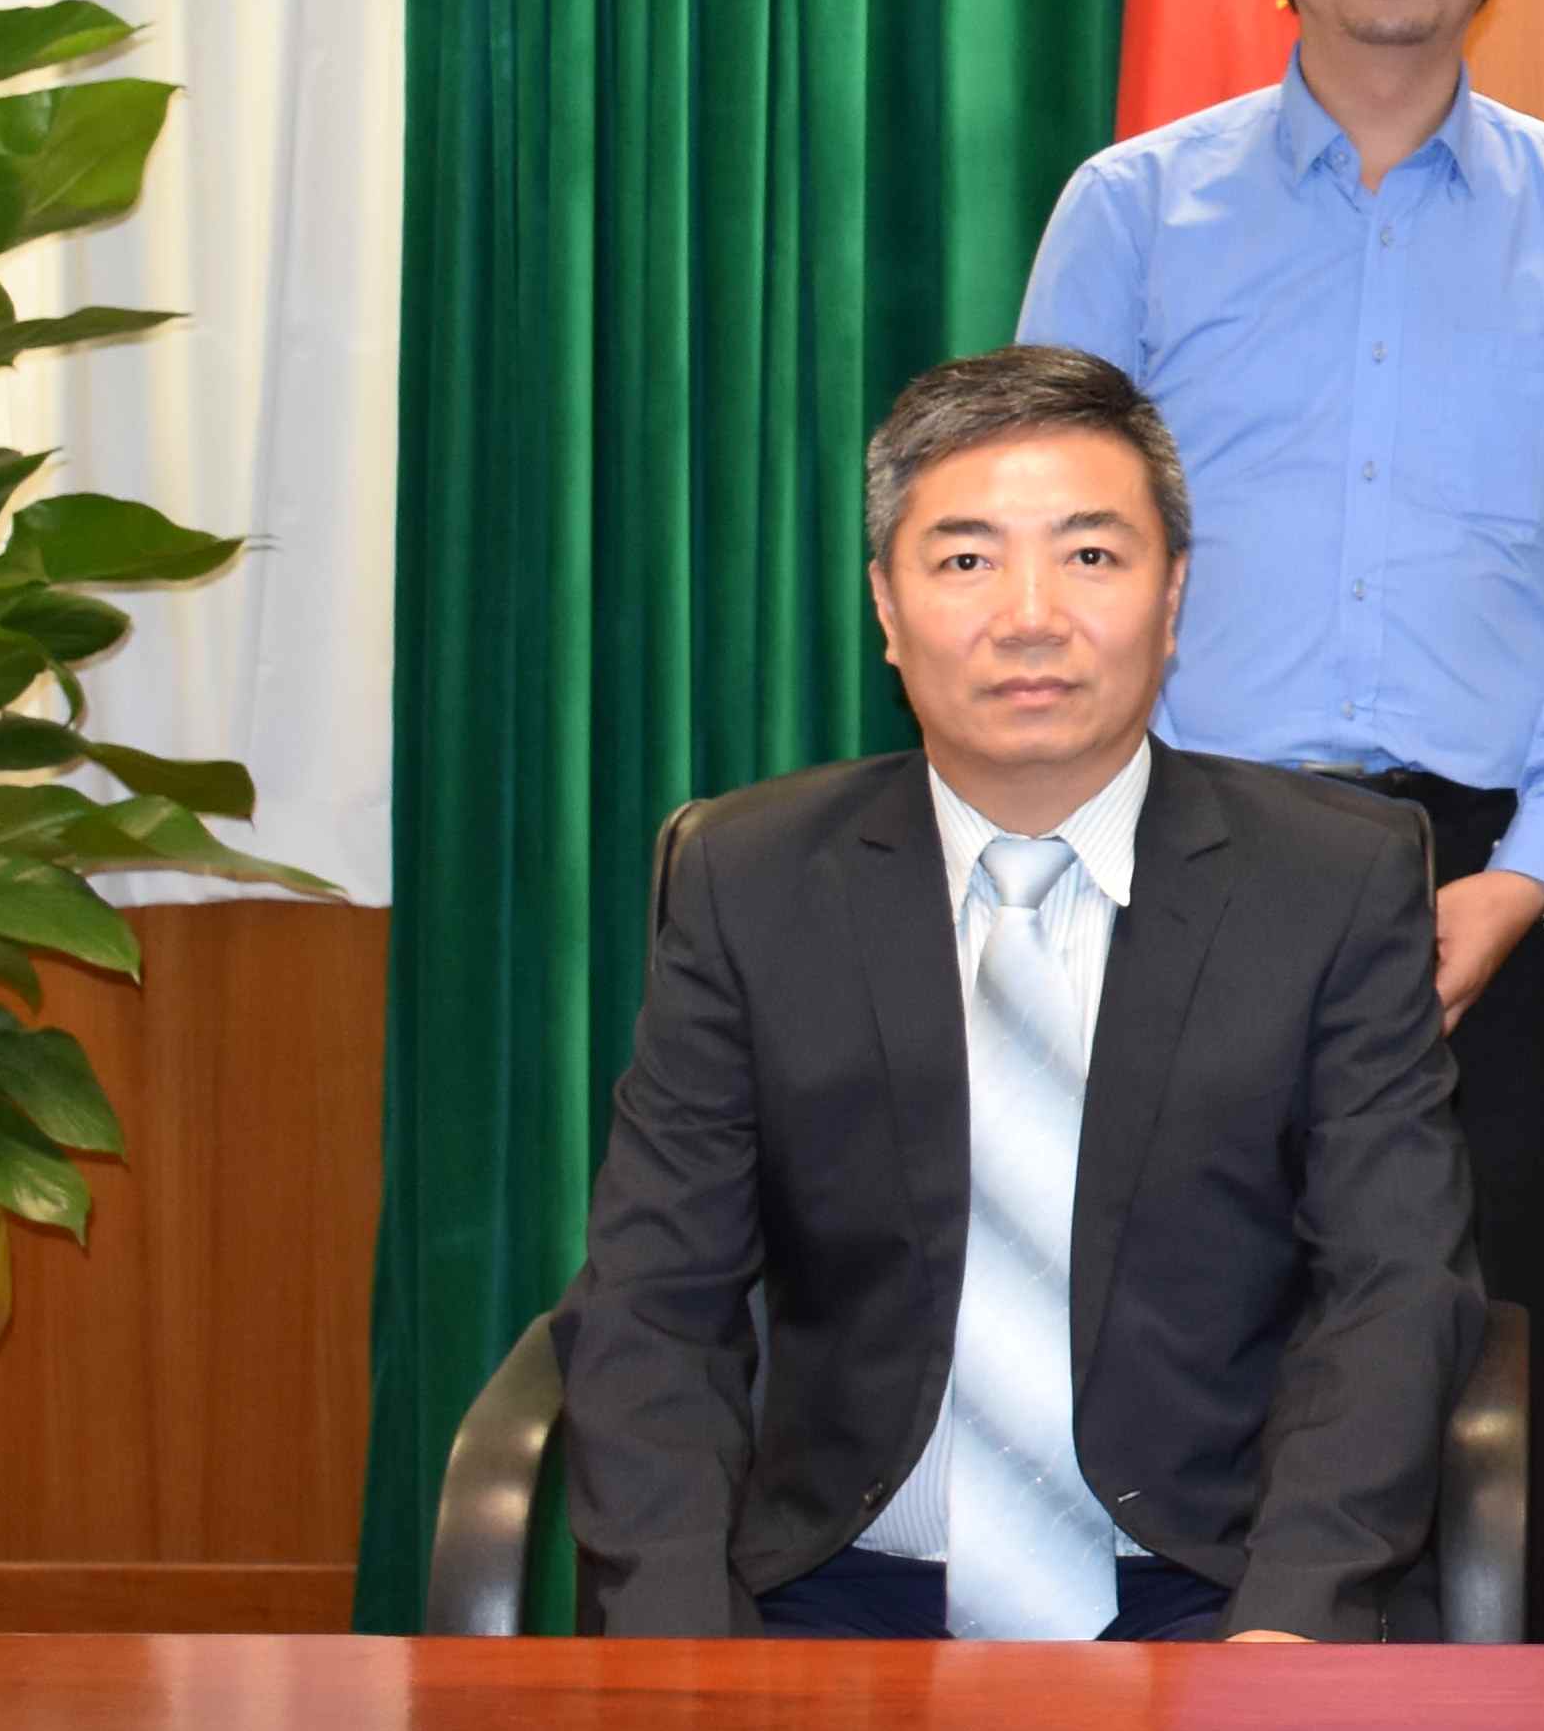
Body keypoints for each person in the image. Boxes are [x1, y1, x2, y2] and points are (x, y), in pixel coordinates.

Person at [1020, 0, 1544, 1385]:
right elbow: (1047, 555)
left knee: (1478, 1405)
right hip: (1175, 866)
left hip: (1488, 885)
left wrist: (1534, 872)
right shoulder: (1130, 214)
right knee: (1158, 1392)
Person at [557, 349, 1472, 1641]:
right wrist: (679, 1648)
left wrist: (1291, 1622)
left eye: (1090, 555)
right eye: (966, 559)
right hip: (832, 1596)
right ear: (886, 607)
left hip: (1214, 1594)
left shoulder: (1332, 882)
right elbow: (656, 1300)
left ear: (1173, 595)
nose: (1031, 615)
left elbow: (1392, 1288)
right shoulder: (752, 882)